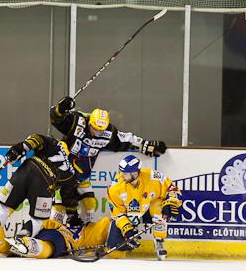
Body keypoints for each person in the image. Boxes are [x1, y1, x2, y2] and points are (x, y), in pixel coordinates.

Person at [50, 96, 167, 225]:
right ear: (89, 123)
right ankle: (56, 228)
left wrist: (146, 145)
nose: (98, 133)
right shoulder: (77, 121)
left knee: (89, 203)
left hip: (81, 175)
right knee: (59, 208)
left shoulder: (108, 133)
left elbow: (125, 139)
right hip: (62, 172)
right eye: (94, 129)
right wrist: (61, 108)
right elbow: (57, 119)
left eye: (101, 130)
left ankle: (82, 228)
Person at [0, 133, 79, 255]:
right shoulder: (70, 172)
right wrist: (72, 214)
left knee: (4, 208)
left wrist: (19, 149)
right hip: (45, 181)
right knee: (38, 219)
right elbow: (69, 194)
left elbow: (36, 139)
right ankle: (22, 238)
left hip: (27, 168)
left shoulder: (53, 143)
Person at [106, 155, 181, 260]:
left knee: (159, 205)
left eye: (125, 173)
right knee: (115, 253)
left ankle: (159, 240)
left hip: (148, 210)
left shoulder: (152, 177)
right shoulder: (114, 188)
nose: (121, 175)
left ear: (136, 173)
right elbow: (117, 213)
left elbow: (172, 188)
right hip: (129, 215)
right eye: (121, 172)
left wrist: (170, 202)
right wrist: (127, 229)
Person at [7, 217, 112, 259]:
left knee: (51, 246)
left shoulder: (88, 234)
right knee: (51, 243)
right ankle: (22, 241)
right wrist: (25, 232)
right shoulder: (60, 224)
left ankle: (29, 246)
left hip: (62, 243)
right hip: (48, 234)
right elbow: (42, 221)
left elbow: (105, 222)